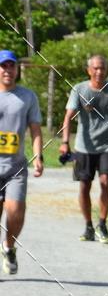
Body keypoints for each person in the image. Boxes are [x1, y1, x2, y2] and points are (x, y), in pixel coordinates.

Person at [59, 54, 108, 243]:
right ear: (89, 70)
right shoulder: (79, 89)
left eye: (103, 68)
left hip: (107, 145)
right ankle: (88, 226)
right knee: (84, 186)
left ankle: (102, 224)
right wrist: (65, 142)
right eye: (96, 68)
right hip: (84, 147)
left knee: (105, 182)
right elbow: (68, 117)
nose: (99, 72)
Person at [0, 50, 43, 275]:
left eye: (11, 66)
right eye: (3, 66)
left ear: (17, 70)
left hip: (16, 167)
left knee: (16, 212)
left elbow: (35, 129)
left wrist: (38, 156)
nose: (8, 70)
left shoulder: (28, 97)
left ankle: (8, 247)